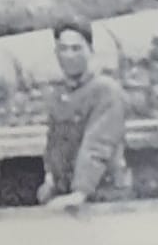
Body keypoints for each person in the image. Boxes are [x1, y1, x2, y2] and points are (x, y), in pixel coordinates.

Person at [38, 18, 131, 210]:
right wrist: (51, 179)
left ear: (91, 50)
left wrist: (80, 192)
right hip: (68, 192)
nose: (69, 56)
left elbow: (97, 144)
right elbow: (54, 142)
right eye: (63, 49)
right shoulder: (60, 94)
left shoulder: (106, 92)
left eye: (76, 48)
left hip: (103, 194)